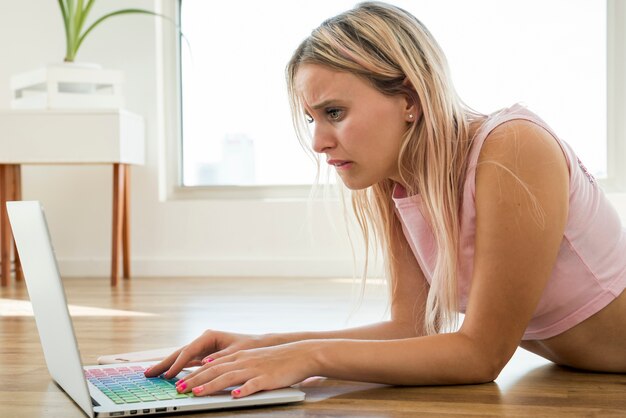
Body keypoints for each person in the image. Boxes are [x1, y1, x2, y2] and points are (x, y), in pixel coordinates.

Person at [145, 1, 626, 397]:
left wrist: (306, 356)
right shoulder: (399, 179)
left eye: (335, 112)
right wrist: (267, 344)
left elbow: (481, 354)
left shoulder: (514, 147)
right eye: (313, 118)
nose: (319, 142)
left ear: (410, 99)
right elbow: (409, 329)